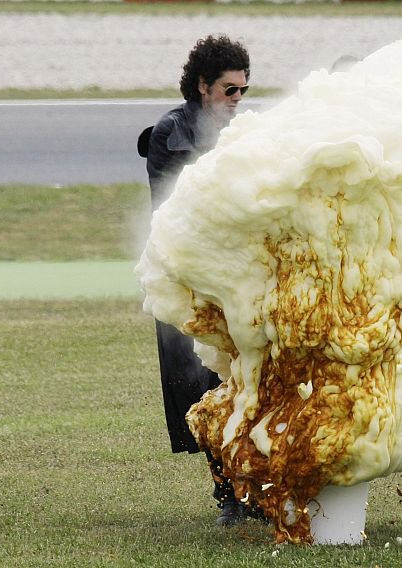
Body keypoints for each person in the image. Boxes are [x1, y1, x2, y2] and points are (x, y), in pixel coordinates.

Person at [137, 35, 259, 526]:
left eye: (243, 91)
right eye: (229, 91)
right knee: (201, 385)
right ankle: (228, 492)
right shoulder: (173, 131)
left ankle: (252, 485)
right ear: (203, 86)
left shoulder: (243, 130)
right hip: (186, 279)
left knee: (244, 379)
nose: (237, 101)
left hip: (237, 276)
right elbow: (184, 203)